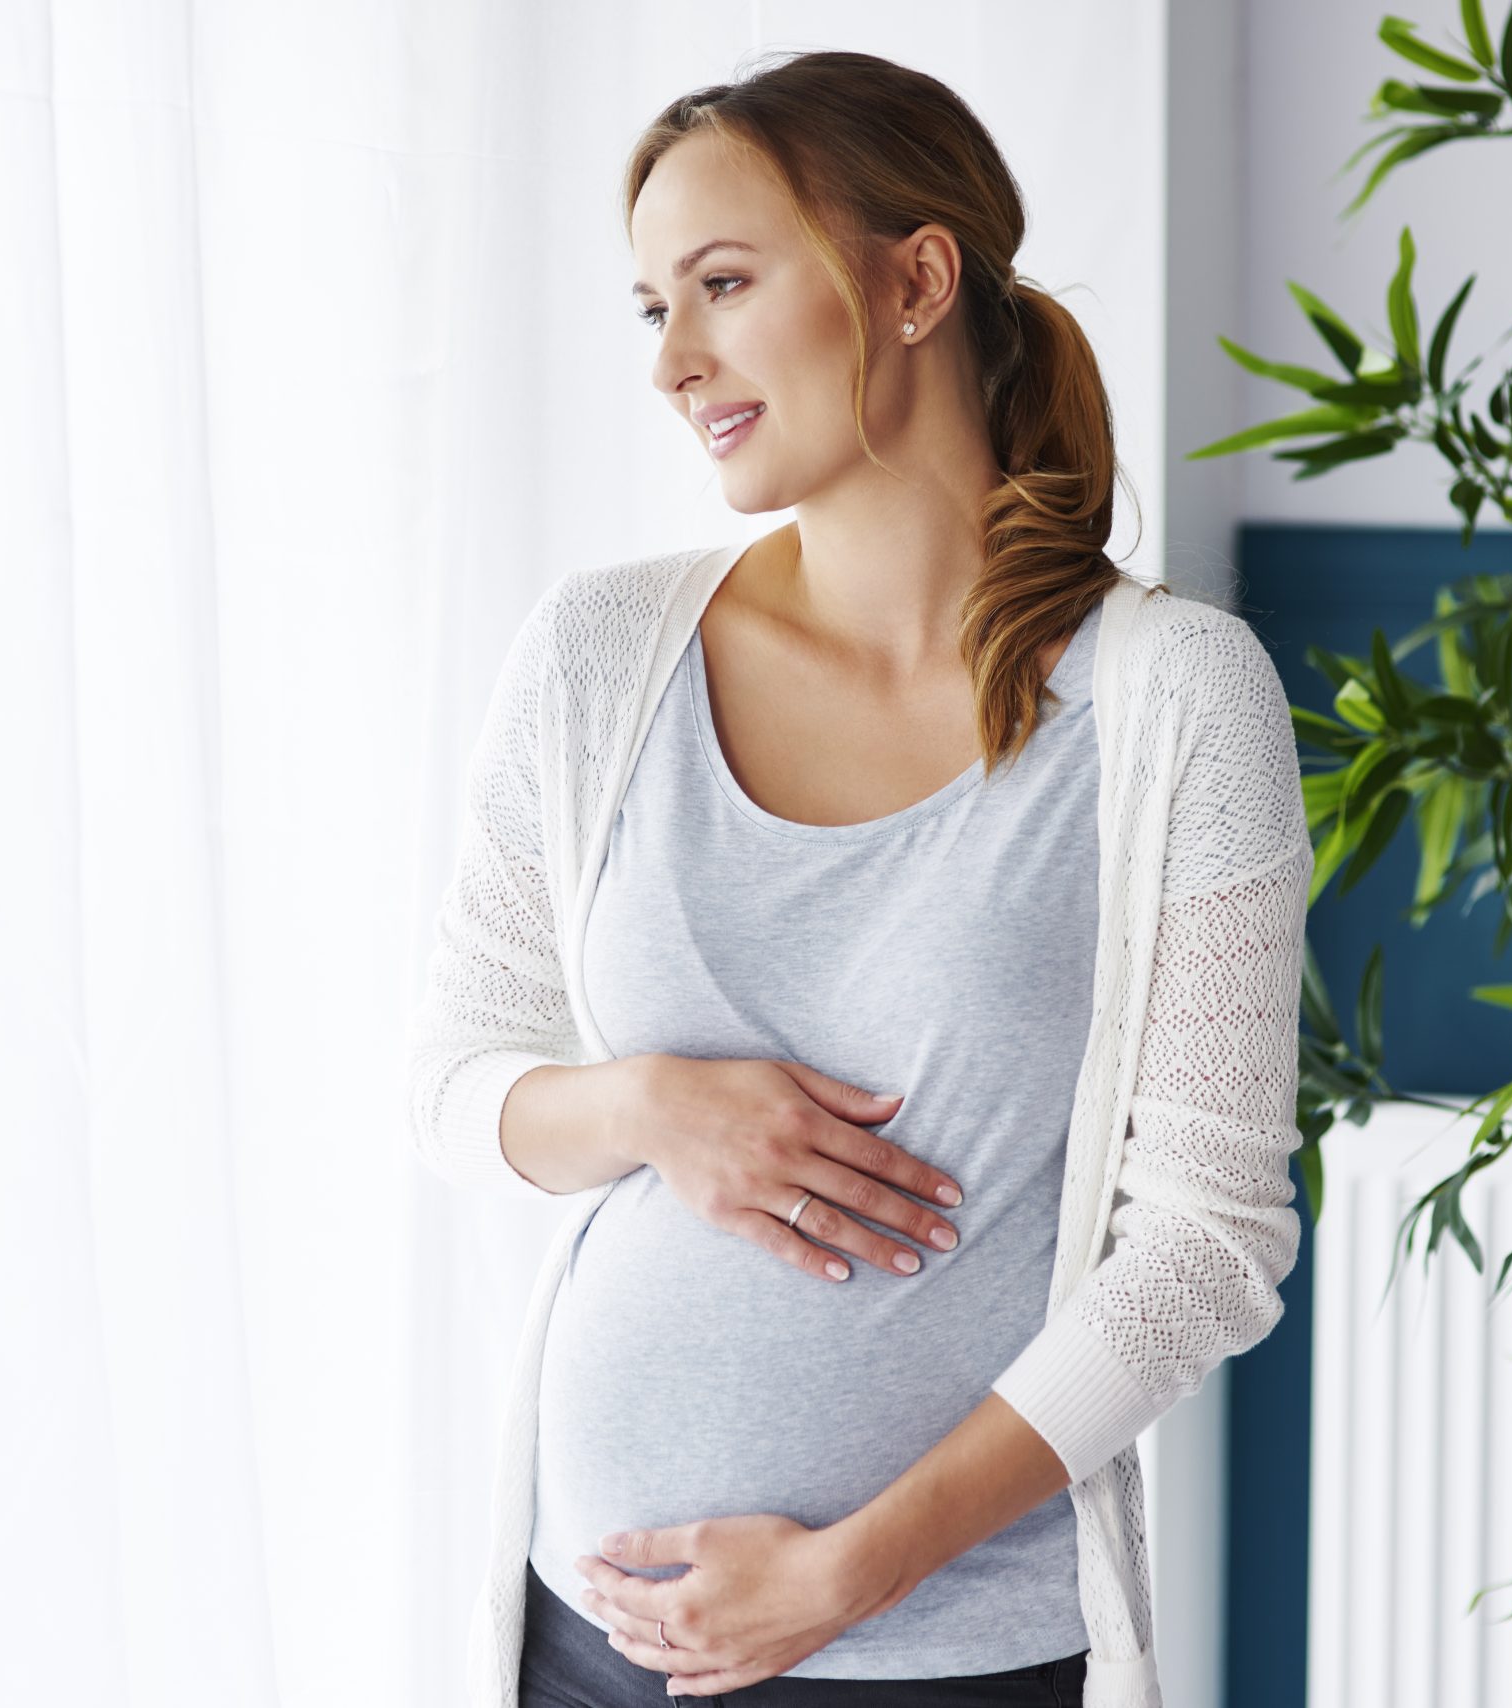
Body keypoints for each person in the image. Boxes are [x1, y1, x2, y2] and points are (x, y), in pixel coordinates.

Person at [406, 48, 1310, 1708]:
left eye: (724, 285)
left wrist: (850, 1573)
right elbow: (460, 1084)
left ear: (915, 280)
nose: (676, 362)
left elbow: (1204, 1246)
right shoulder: (601, 657)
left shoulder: (1180, 702)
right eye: (652, 309)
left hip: (947, 1657)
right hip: (590, 1637)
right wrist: (654, 1106)